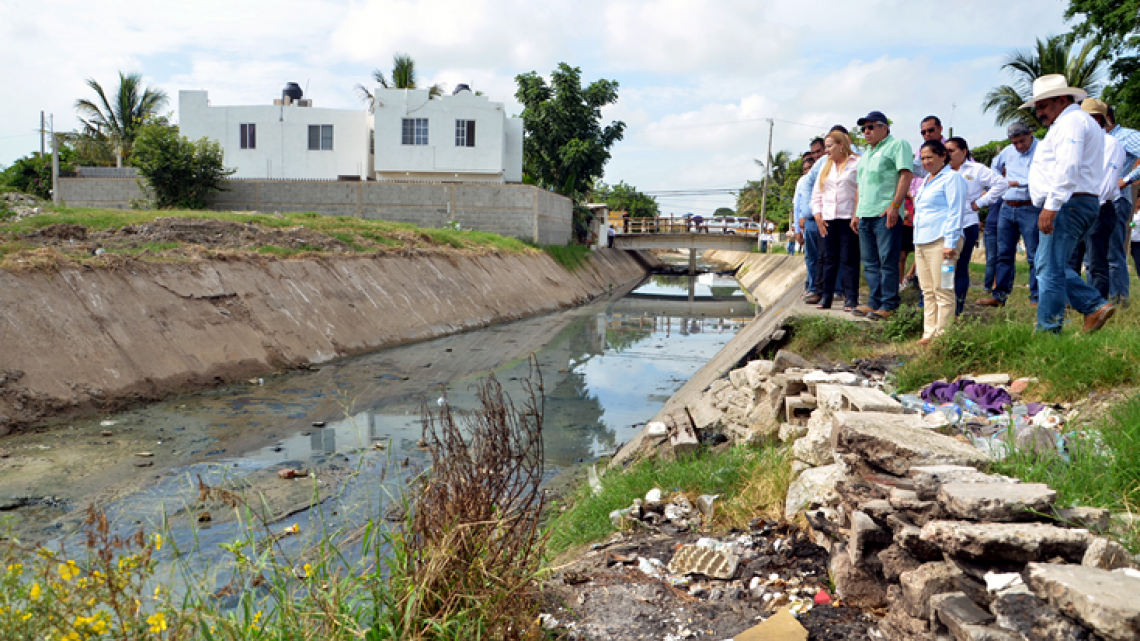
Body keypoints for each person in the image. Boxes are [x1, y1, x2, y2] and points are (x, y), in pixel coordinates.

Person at [1024, 74, 1111, 334]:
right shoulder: (1071, 122)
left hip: (1068, 203)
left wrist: (1051, 206)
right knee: (1048, 265)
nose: (1039, 113)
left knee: (1049, 269)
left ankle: (1049, 330)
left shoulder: (1072, 122)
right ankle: (1093, 305)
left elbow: (1068, 165)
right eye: (1037, 107)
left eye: (1043, 106)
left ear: (1062, 99)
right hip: (1074, 201)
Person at [853, 111, 913, 320]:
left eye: (871, 127)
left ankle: (889, 304)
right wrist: (856, 213)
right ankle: (874, 302)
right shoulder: (866, 154)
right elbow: (860, 186)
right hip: (865, 213)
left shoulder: (898, 145)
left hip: (885, 213)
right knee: (869, 262)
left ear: (884, 127)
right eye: (863, 129)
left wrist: (895, 205)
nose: (866, 132)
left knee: (888, 259)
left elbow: (905, 174)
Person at [1067, 99, 1125, 300]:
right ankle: (1074, 301)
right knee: (1072, 259)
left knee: (1095, 262)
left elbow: (1108, 183)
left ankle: (1097, 302)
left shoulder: (1111, 143)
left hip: (1098, 208)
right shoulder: (1078, 143)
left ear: (1096, 118)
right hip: (1075, 207)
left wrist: (1090, 208)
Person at [980, 122, 1040, 307]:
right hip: (1007, 206)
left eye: (1022, 141)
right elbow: (994, 167)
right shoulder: (1007, 151)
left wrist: (1019, 182)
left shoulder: (1043, 149)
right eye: (1015, 143)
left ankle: (1036, 297)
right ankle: (999, 296)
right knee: (1003, 254)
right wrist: (1001, 181)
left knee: (1033, 255)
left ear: (1030, 133)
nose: (1019, 146)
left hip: (1030, 206)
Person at [912, 140, 966, 345]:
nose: (926, 162)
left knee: (943, 288)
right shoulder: (927, 180)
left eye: (930, 157)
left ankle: (943, 335)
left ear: (943, 156)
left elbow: (956, 210)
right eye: (923, 158)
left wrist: (950, 242)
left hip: (943, 241)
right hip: (923, 241)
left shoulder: (952, 178)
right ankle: (929, 333)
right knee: (927, 289)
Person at [947, 137, 1009, 314]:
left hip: (966, 222)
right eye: (946, 151)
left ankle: (957, 310)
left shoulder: (977, 169)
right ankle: (941, 308)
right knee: (945, 267)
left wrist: (981, 202)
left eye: (952, 151)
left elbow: (1002, 183)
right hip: (944, 225)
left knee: (960, 267)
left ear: (964, 151)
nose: (948, 154)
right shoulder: (942, 170)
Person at [806, 130, 861, 310]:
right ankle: (826, 297)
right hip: (828, 219)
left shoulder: (856, 163)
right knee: (829, 259)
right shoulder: (825, 167)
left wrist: (856, 214)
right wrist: (818, 216)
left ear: (841, 145)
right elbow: (816, 194)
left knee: (849, 259)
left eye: (829, 146)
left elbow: (860, 192)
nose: (827, 150)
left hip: (848, 219)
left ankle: (851, 298)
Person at [1105, 105, 1140, 304]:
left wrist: (1127, 179)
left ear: (1107, 118)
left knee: (1113, 252)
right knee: (1095, 255)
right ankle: (1102, 300)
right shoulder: (1096, 139)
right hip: (1097, 201)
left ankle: (1119, 300)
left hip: (1118, 200)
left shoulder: (1127, 136)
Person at [793, 154, 819, 294]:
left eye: (810, 167)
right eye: (805, 169)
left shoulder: (821, 179)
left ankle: (818, 288)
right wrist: (797, 229)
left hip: (820, 221)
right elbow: (797, 206)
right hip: (807, 223)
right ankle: (811, 287)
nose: (808, 171)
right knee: (810, 257)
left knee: (823, 258)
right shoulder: (802, 182)